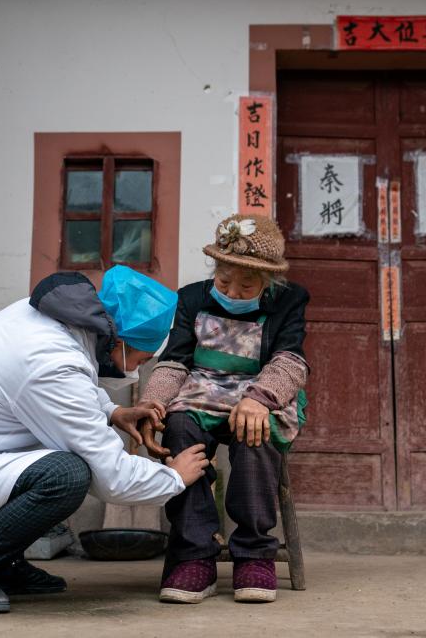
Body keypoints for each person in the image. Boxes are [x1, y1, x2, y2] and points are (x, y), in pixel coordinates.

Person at [0, 266, 210, 614]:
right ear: (120, 342)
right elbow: (111, 475)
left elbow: (68, 389)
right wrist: (174, 477)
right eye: (143, 358)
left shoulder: (50, 323)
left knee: (52, 450)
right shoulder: (50, 360)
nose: (137, 368)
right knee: (67, 474)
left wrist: (112, 412)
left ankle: (3, 564)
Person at [137, 214, 309, 604]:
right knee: (179, 427)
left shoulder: (289, 300)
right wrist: (153, 402)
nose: (233, 290)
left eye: (247, 284)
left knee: (255, 432)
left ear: (269, 280)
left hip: (262, 389)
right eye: (224, 280)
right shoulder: (191, 298)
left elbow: (290, 359)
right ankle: (195, 554)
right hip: (201, 389)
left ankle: (254, 553)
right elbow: (175, 361)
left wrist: (259, 398)